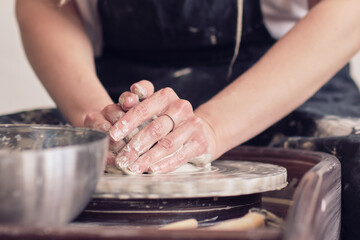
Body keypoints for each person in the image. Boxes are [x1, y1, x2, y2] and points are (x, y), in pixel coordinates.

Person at [14, 0, 360, 238]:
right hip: (117, 91)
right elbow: (44, 5)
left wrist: (213, 126)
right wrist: (94, 115)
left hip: (287, 78)